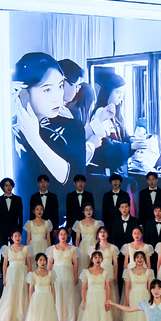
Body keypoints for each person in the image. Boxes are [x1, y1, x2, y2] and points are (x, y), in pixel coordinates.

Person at [12, 53, 86, 195]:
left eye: (60, 86)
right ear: (23, 92)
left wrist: (34, 139)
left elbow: (75, 182)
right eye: (47, 89)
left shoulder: (72, 127)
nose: (57, 98)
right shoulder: (8, 129)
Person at [13, 252, 66, 321]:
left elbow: (53, 289)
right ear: (36, 262)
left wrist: (54, 300)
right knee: (37, 320)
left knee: (48, 320)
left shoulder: (50, 273)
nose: (43, 262)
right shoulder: (32, 274)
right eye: (40, 260)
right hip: (37, 298)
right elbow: (31, 290)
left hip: (48, 298)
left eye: (44, 260)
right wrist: (31, 303)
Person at [72, 251, 116, 321]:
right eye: (95, 257)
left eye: (100, 257)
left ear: (102, 259)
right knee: (90, 320)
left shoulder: (106, 272)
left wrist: (108, 301)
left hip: (101, 298)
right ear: (92, 259)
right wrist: (84, 301)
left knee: (102, 320)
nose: (98, 259)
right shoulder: (86, 272)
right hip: (90, 298)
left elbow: (108, 288)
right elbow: (83, 288)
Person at [0, 229, 31, 321]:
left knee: (21, 293)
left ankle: (21, 318)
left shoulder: (26, 248)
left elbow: (29, 265)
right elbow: (5, 264)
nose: (18, 238)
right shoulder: (7, 249)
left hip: (22, 273)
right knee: (11, 293)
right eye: (15, 236)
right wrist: (4, 277)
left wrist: (29, 277)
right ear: (12, 238)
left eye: (19, 236)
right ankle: (8, 318)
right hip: (11, 273)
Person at [117, 251, 154, 321]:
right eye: (137, 257)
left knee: (144, 319)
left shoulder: (149, 272)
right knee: (132, 318)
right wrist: (127, 300)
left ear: (144, 259)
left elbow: (149, 288)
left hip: (144, 296)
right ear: (134, 259)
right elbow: (127, 287)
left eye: (142, 257)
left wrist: (151, 300)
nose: (139, 259)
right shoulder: (128, 272)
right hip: (133, 296)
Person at [46, 227, 80, 321]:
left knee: (68, 295)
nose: (63, 236)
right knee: (58, 295)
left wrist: (75, 276)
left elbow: (75, 263)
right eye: (61, 234)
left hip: (68, 273)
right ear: (58, 236)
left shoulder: (73, 249)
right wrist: (48, 277)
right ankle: (58, 320)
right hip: (57, 274)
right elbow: (49, 264)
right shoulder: (53, 248)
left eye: (65, 234)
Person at [89, 226, 121, 321]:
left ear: (108, 234)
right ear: (98, 235)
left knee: (110, 293)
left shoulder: (113, 247)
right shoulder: (94, 247)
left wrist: (115, 276)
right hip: (97, 272)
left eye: (104, 232)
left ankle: (111, 318)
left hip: (109, 271)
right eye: (100, 232)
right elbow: (91, 263)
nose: (102, 234)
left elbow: (115, 263)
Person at [58, 58, 95, 129]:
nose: (77, 90)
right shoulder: (57, 114)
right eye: (76, 86)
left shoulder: (64, 111)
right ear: (62, 82)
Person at [0, 177, 24, 252]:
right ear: (3, 187)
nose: (8, 187)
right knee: (3, 252)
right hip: (2, 229)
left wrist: (19, 230)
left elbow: (20, 216)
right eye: (6, 185)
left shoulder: (18, 199)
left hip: (14, 229)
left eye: (10, 185)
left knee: (15, 251)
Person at [29, 173, 59, 239]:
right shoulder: (34, 197)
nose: (43, 184)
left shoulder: (53, 197)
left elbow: (55, 213)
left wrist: (55, 228)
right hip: (37, 226)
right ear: (38, 184)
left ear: (48, 184)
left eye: (45, 182)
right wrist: (32, 227)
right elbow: (31, 213)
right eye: (41, 182)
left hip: (50, 226)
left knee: (50, 243)